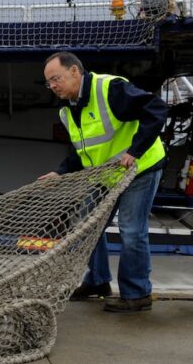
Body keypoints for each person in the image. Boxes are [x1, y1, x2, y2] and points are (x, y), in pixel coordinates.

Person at [40, 51, 167, 313]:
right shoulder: (67, 110)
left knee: (131, 231)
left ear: (75, 71)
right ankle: (98, 282)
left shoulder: (109, 89)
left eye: (56, 79)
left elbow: (156, 110)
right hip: (107, 176)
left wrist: (135, 151)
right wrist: (60, 172)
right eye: (48, 82)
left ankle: (137, 293)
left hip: (139, 169)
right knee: (88, 226)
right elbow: (82, 151)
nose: (52, 86)